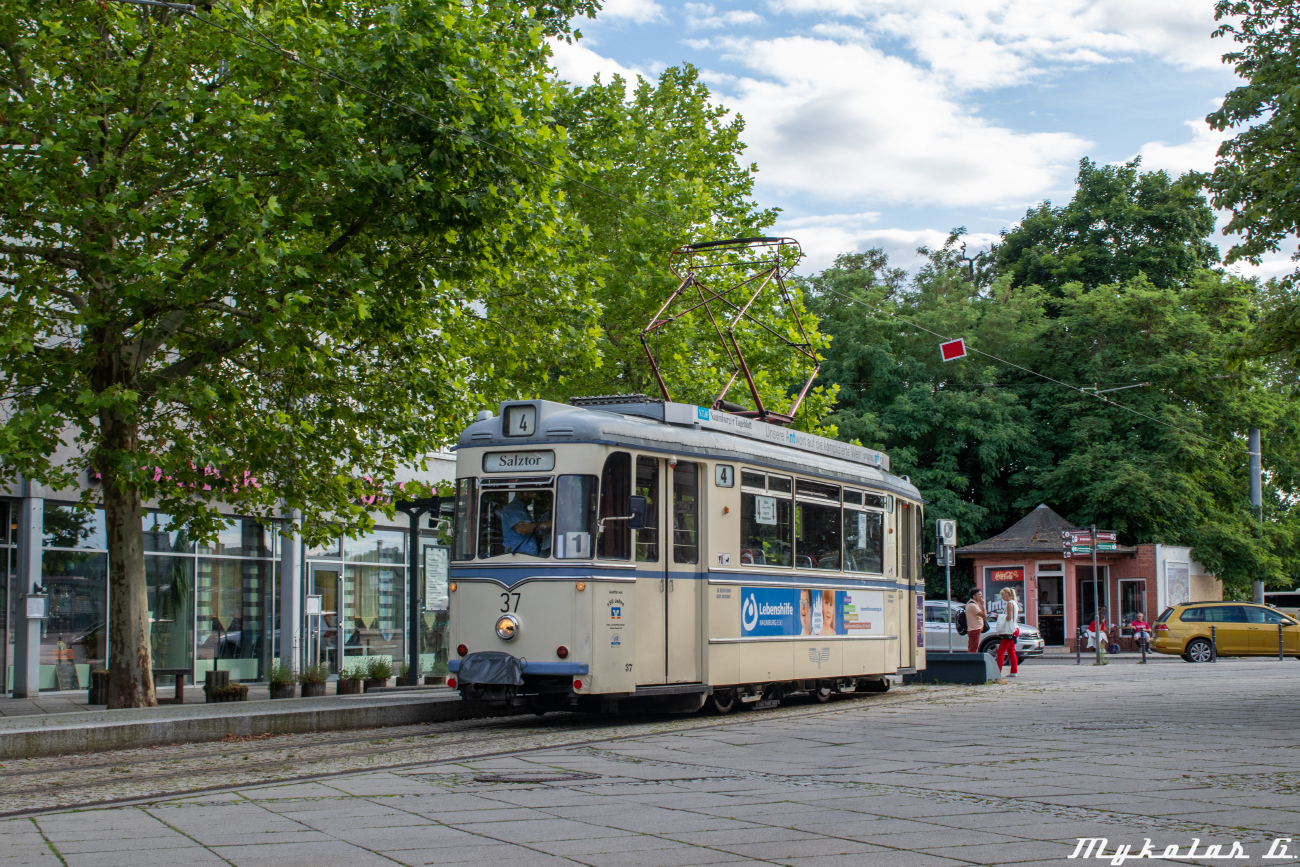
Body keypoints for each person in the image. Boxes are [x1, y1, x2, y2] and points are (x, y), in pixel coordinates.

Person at [501, 491, 552, 556]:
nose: (533, 496)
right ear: (521, 492)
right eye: (531, 492)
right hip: (518, 556)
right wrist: (547, 524)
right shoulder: (511, 509)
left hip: (528, 556)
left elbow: (527, 535)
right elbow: (521, 528)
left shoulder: (522, 509)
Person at [993, 587, 1020, 680]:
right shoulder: (1015, 603)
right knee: (1011, 652)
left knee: (1000, 652)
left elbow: (1009, 617)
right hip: (1015, 629)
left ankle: (997, 672)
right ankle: (1014, 671)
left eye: (1002, 595)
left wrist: (999, 616)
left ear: (1007, 594)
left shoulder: (1009, 603)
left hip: (1009, 631)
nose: (1002, 597)